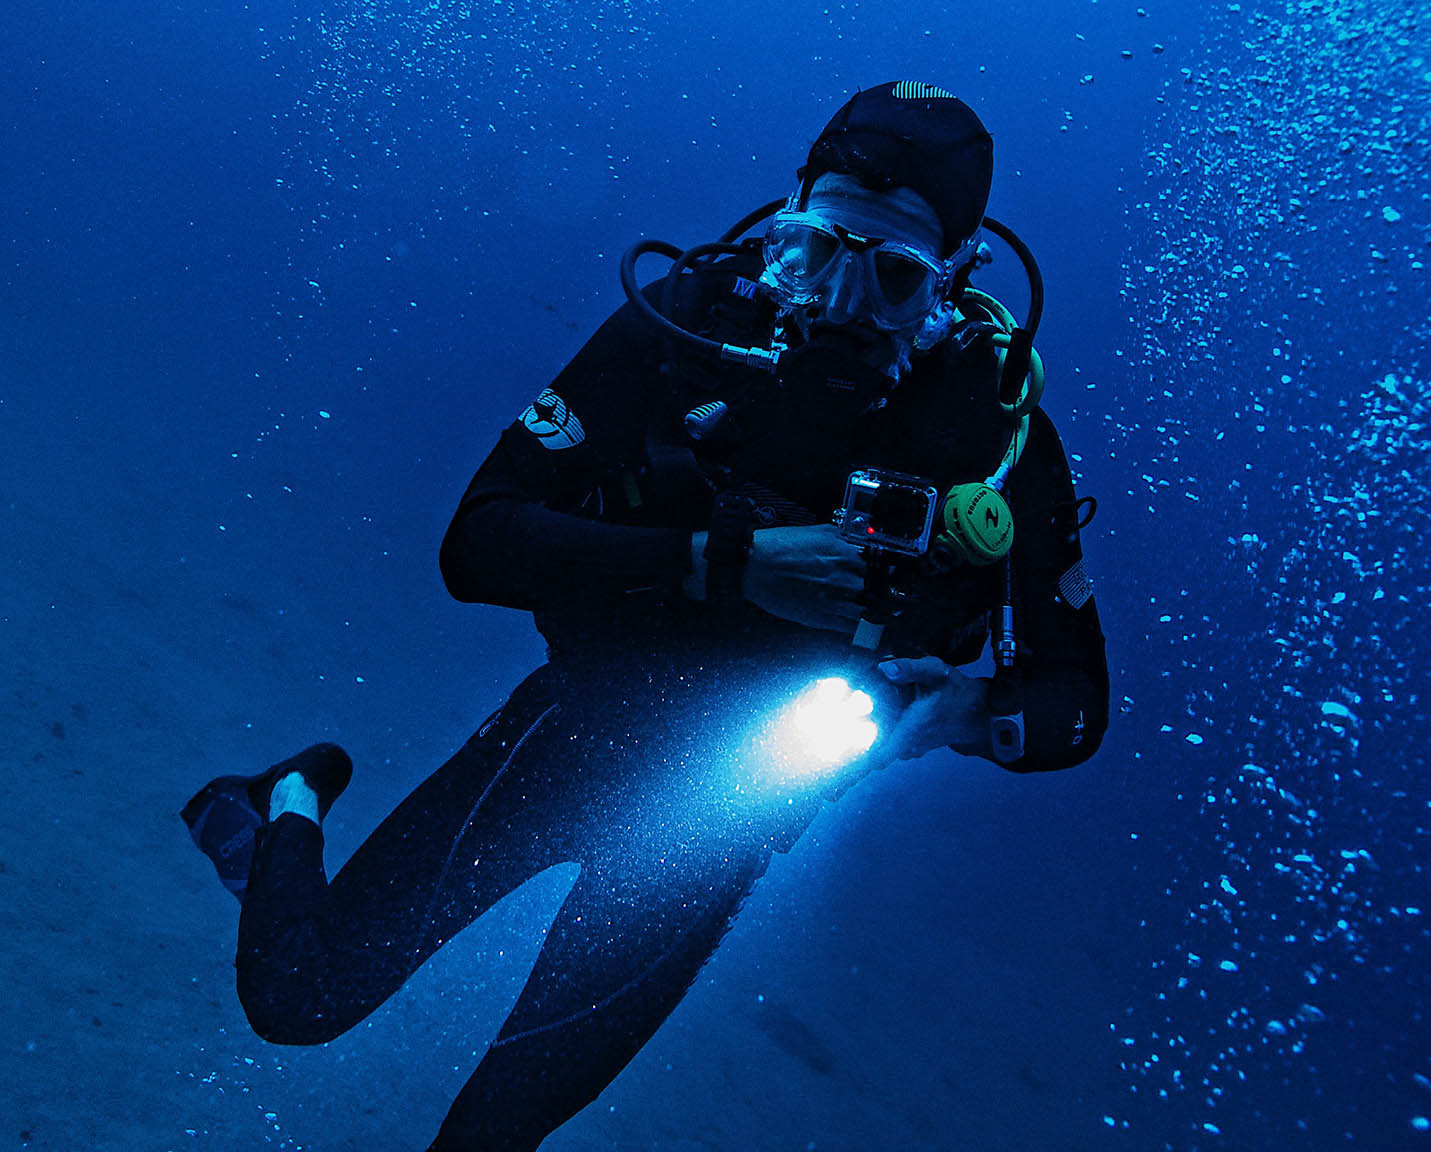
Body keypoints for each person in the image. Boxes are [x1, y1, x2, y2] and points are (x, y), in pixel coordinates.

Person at [180, 81, 1110, 1151]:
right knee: (297, 1003)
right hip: (573, 728)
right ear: (786, 222)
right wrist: (727, 564)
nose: (838, 303)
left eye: (893, 276)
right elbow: (474, 544)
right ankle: (290, 796)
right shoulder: (685, 330)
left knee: (493, 1134)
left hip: (723, 825)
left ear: (951, 279)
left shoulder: (993, 435)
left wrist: (962, 715)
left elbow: (1077, 703)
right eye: (815, 254)